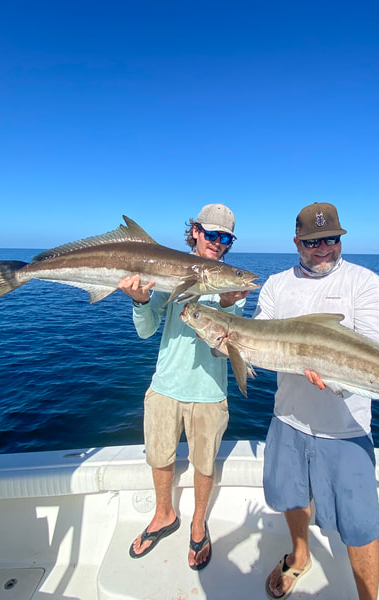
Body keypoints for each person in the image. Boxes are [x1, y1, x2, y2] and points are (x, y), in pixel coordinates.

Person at [252, 202, 379, 600]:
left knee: (360, 523)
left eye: (331, 239)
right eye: (313, 242)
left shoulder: (364, 283)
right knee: (290, 497)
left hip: (345, 427)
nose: (324, 248)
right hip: (288, 417)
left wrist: (333, 376)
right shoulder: (277, 284)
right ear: (297, 242)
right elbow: (259, 336)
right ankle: (300, 557)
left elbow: (375, 352)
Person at [117, 203, 250, 570]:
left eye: (226, 238)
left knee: (203, 464)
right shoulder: (166, 271)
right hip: (165, 385)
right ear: (195, 232)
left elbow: (227, 348)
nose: (218, 243)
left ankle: (197, 522)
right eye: (212, 234)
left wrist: (227, 307)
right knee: (159, 458)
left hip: (209, 392)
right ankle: (164, 516)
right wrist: (140, 300)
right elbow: (145, 331)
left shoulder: (233, 286)